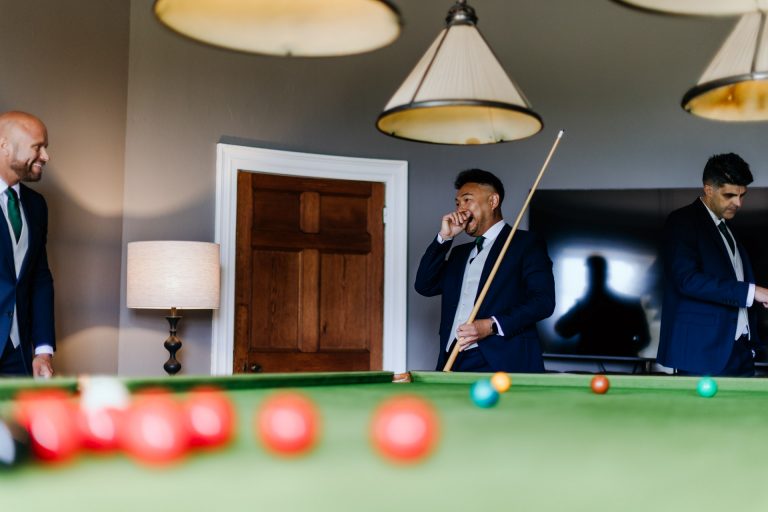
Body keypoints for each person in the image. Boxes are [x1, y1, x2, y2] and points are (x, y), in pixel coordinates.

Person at [414, 169, 555, 372]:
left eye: (467, 200)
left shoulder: (525, 244)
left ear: (493, 201)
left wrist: (491, 325)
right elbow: (424, 285)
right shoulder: (459, 254)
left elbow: (543, 301)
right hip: (452, 358)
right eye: (457, 203)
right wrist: (444, 238)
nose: (460, 209)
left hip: (502, 361)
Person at [658, 153, 768, 377]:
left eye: (742, 195)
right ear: (708, 189)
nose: (738, 203)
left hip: (741, 351)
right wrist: (752, 291)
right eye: (730, 195)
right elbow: (687, 280)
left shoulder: (727, 229)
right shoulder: (683, 221)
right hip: (703, 353)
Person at [0, 111, 55, 377]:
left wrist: (42, 351)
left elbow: (39, 279)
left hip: (20, 358)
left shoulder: (36, 205)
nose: (45, 156)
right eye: (37, 147)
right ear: (4, 145)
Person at [555, 254, 650, 357]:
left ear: (605, 274)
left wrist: (623, 351)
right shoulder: (585, 306)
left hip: (603, 367)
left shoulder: (630, 305)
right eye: (591, 274)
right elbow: (562, 330)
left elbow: (645, 339)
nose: (592, 277)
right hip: (590, 367)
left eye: (595, 273)